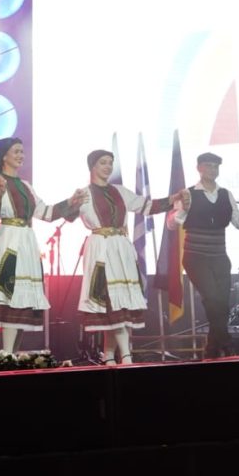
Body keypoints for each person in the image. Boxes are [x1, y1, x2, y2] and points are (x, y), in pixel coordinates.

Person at [0, 137, 87, 354]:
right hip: (8, 240)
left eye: (22, 151)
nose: (21, 155)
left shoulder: (26, 185)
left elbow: (46, 213)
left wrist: (71, 202)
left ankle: (11, 353)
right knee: (9, 293)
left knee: (23, 298)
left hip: (27, 242)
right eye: (16, 151)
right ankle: (7, 353)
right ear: (4, 156)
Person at [76, 149, 181, 364]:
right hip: (101, 248)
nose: (108, 166)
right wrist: (71, 204)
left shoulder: (120, 191)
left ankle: (108, 356)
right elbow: (64, 214)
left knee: (119, 303)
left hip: (121, 249)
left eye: (110, 162)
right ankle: (126, 355)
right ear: (92, 166)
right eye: (103, 162)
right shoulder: (84, 194)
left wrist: (174, 199)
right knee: (110, 301)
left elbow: (148, 206)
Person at [168, 152, 239, 359]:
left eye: (215, 166)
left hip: (219, 256)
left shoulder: (226, 194)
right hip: (195, 257)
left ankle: (213, 348)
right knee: (213, 297)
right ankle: (226, 343)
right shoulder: (188, 194)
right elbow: (171, 224)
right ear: (199, 168)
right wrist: (184, 209)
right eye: (208, 165)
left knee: (222, 302)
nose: (212, 170)